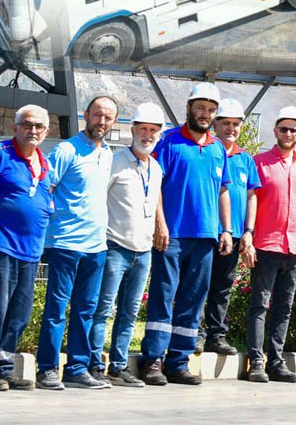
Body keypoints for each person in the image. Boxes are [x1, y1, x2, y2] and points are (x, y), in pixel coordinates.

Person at [140, 82, 234, 387]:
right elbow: (155, 186)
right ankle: (153, 360)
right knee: (163, 297)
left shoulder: (218, 148)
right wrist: (160, 224)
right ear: (189, 109)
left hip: (206, 237)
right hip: (173, 236)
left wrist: (226, 229)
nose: (205, 114)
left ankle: (178, 362)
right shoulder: (168, 142)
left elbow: (223, 191)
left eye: (210, 110)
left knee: (193, 300)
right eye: (200, 108)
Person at [0, 105, 56, 392]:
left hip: (31, 251)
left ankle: (4, 366)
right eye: (27, 125)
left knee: (19, 313)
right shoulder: (0, 155)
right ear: (16, 127)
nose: (33, 131)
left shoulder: (45, 166)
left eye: (39, 127)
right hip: (1, 244)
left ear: (47, 131)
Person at [35, 96, 117, 391]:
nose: (102, 121)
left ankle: (78, 368)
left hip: (97, 245)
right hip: (66, 243)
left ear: (114, 122)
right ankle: (47, 369)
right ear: (86, 115)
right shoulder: (67, 149)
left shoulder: (109, 153)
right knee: (57, 308)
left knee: (86, 309)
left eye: (108, 117)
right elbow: (46, 186)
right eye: (97, 115)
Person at [89, 103, 164, 388]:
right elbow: (98, 198)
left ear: (159, 134)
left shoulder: (155, 168)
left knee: (130, 311)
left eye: (153, 130)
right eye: (143, 129)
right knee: (103, 308)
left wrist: (160, 227)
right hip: (115, 247)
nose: (147, 135)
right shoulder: (115, 160)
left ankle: (118, 366)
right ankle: (96, 364)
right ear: (132, 130)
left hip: (143, 251)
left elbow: (153, 201)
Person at [246, 106, 296, 384]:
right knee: (260, 305)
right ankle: (256, 362)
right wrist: (248, 237)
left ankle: (276, 362)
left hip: (294, 249)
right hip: (265, 245)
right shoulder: (259, 162)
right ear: (275, 130)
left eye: (293, 130)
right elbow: (249, 201)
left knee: (284, 308)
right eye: (283, 128)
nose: (288, 133)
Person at [200, 99, 261, 359]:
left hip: (234, 233)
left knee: (223, 286)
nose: (231, 128)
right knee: (199, 284)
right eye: (225, 123)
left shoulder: (246, 159)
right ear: (215, 124)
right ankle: (196, 333)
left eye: (236, 124)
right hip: (206, 231)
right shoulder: (207, 150)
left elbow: (251, 196)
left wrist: (249, 231)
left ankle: (216, 334)